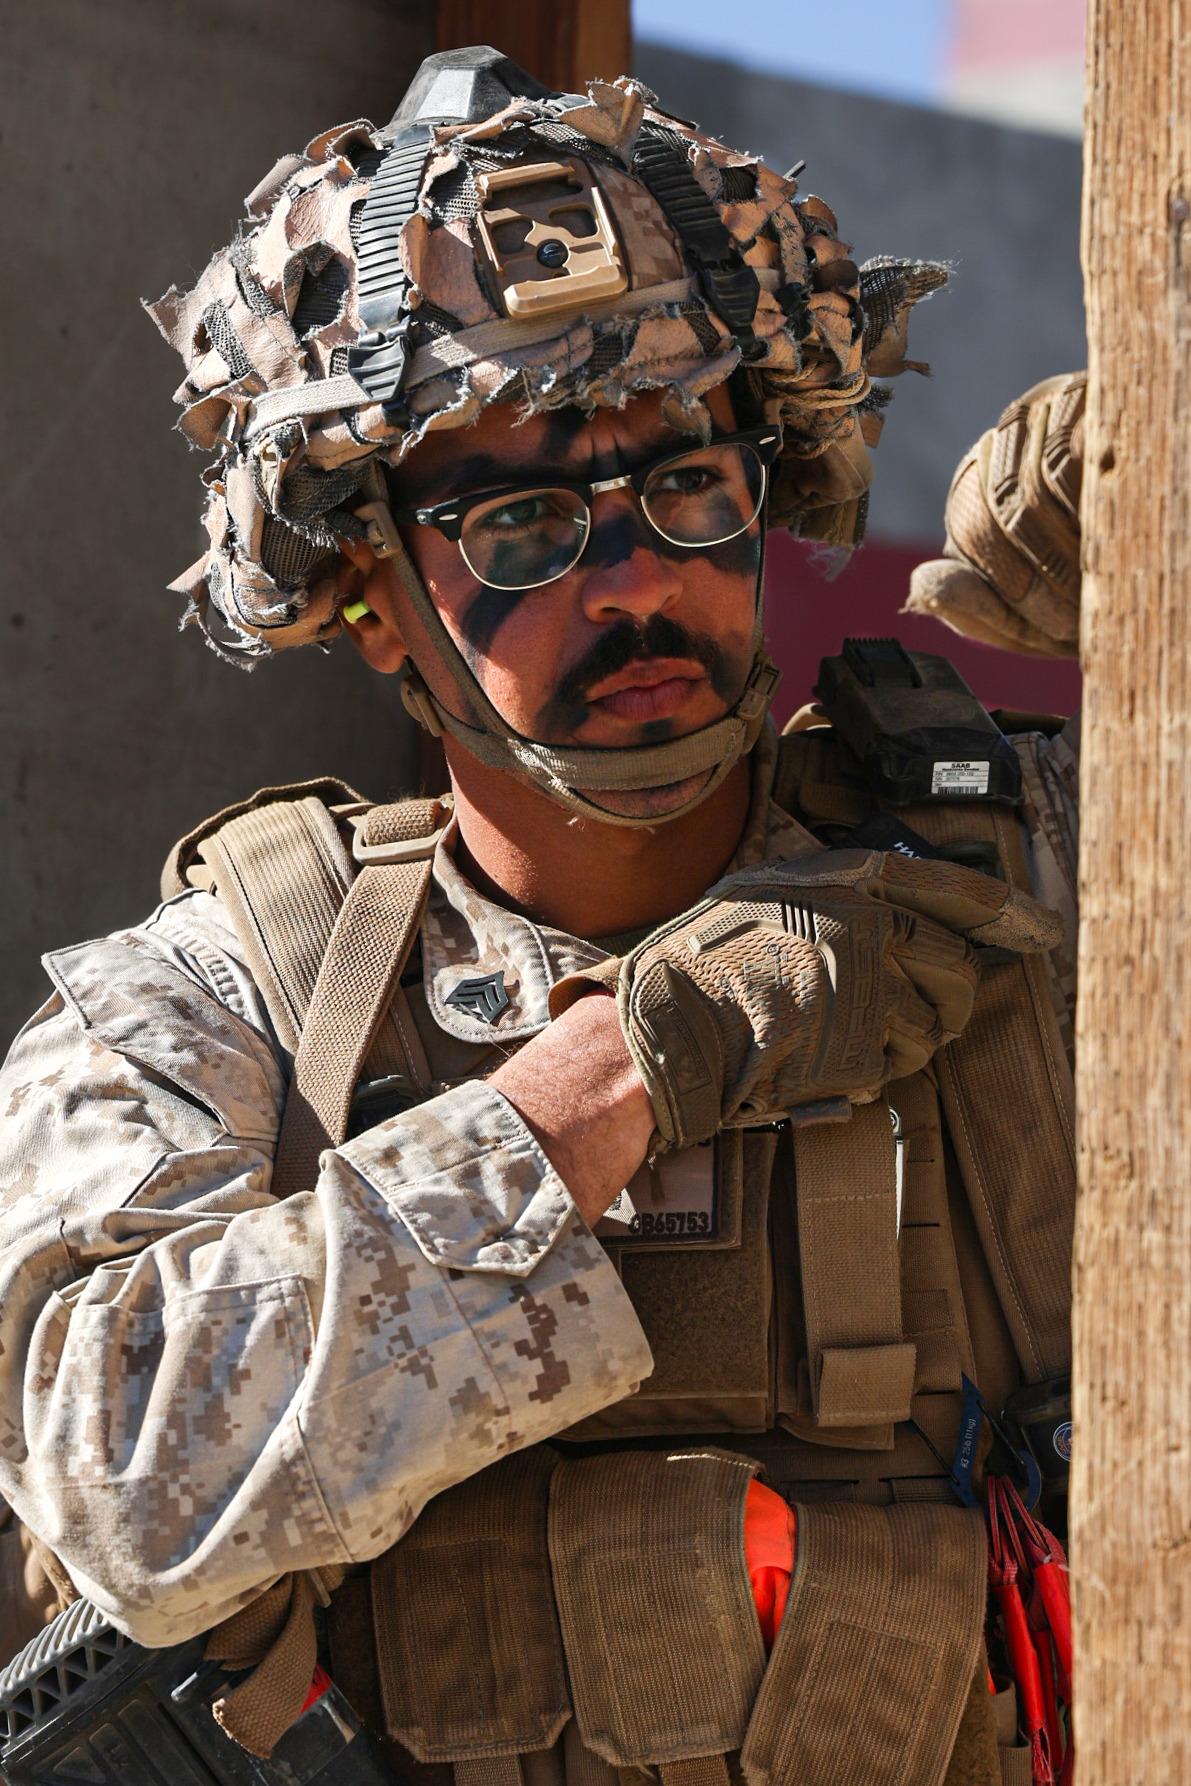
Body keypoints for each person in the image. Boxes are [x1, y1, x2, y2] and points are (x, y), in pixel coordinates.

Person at [0, 46, 1083, 1786]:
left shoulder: (1011, 885)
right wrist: (635, 1070)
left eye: (686, 483)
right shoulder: (217, 1008)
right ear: (366, 593)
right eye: (518, 520)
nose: (635, 572)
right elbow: (122, 1475)